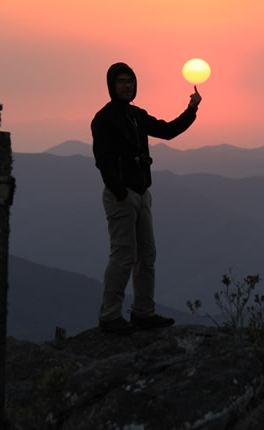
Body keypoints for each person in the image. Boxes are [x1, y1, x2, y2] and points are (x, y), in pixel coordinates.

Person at [91, 62, 202, 334]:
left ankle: (143, 312)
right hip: (123, 196)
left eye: (130, 81)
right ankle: (110, 316)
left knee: (147, 255)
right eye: (121, 81)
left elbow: (167, 130)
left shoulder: (137, 115)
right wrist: (119, 193)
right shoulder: (104, 119)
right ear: (111, 86)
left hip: (142, 193)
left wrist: (191, 109)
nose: (127, 85)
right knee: (123, 255)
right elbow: (103, 161)